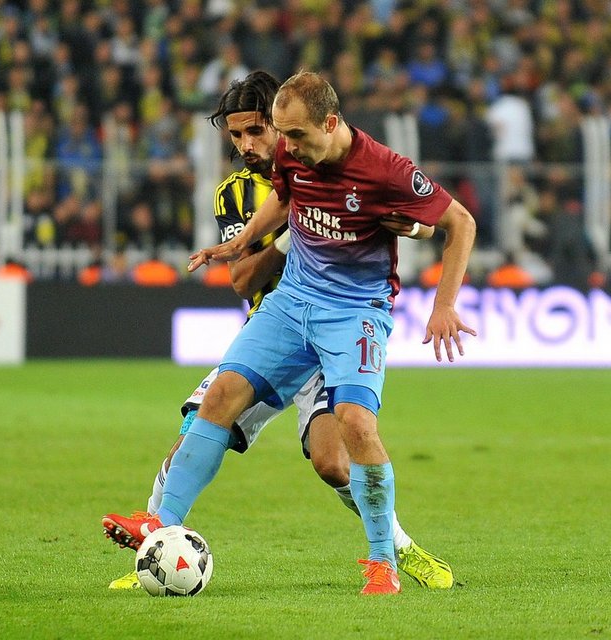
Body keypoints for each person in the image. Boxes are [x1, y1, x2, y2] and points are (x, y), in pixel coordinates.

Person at [104, 71, 476, 595]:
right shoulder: (278, 163)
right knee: (218, 399)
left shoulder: (385, 169)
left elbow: (458, 222)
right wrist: (242, 244)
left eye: (290, 134)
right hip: (287, 306)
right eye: (265, 135)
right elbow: (283, 199)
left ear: (329, 122)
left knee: (350, 435)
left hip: (352, 313)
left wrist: (443, 303)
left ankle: (385, 559)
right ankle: (158, 526)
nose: (283, 147)